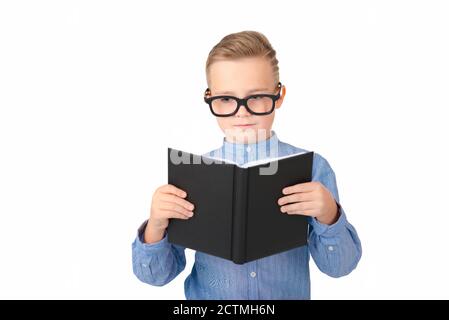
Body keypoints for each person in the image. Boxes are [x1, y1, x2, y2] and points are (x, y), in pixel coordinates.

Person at [132, 30, 362, 299]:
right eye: (226, 99)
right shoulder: (193, 174)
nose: (242, 111)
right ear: (209, 98)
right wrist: (156, 227)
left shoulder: (312, 168)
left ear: (280, 95)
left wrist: (330, 215)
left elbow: (340, 267)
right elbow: (155, 277)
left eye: (256, 97)